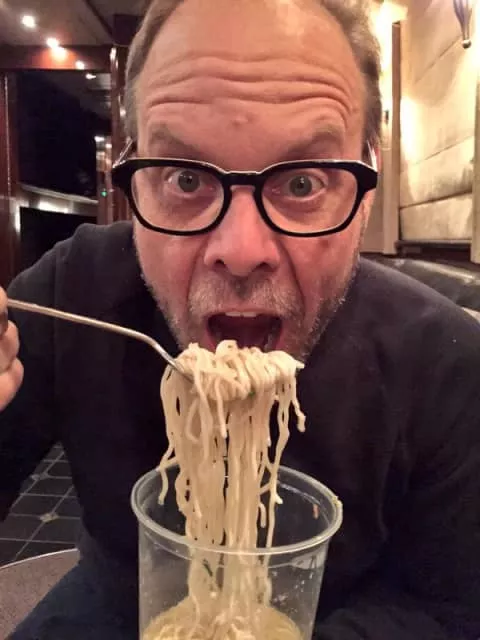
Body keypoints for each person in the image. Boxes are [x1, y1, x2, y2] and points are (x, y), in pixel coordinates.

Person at [0, 0, 479, 638]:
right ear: (132, 178)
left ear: (366, 187)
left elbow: (452, 606)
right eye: (185, 179)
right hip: (115, 598)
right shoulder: (73, 290)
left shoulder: (446, 359)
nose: (242, 249)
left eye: (303, 183)